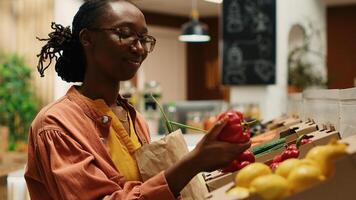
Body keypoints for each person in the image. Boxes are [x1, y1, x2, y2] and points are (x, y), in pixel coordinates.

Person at [25, 0, 251, 199]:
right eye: (124, 33)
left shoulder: (134, 118)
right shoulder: (55, 125)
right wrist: (192, 163)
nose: (139, 48)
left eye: (144, 38)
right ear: (88, 39)